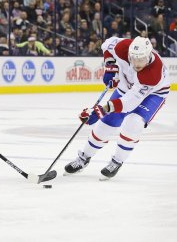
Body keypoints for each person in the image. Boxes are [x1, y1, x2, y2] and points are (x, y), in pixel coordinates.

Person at [64, 36, 170, 180]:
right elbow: (107, 45)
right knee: (106, 123)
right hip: (126, 88)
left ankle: (117, 161)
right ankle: (83, 158)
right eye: (134, 59)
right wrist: (110, 67)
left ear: (149, 55)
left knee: (133, 123)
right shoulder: (123, 47)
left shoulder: (152, 73)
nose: (137, 63)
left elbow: (129, 103)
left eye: (141, 60)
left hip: (153, 94)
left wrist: (100, 110)